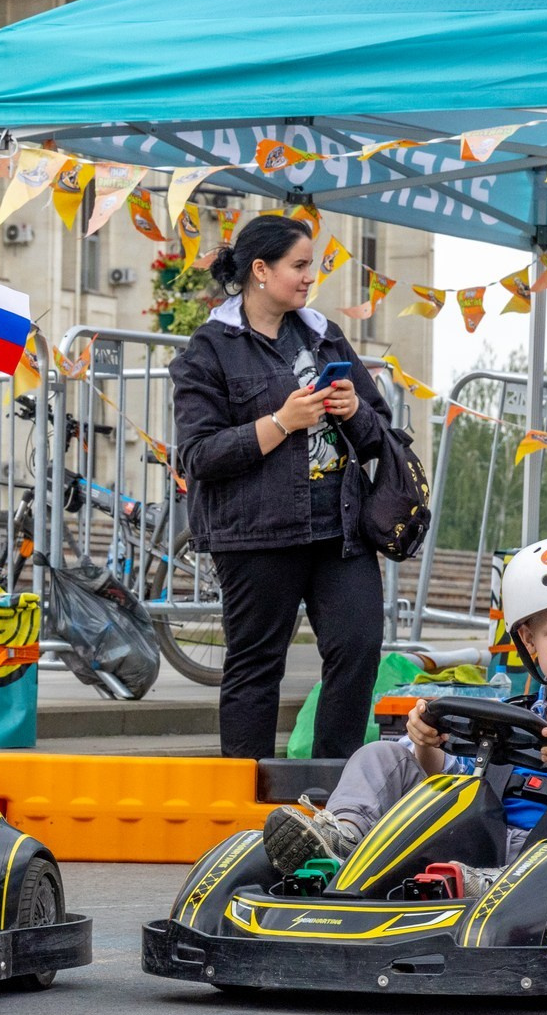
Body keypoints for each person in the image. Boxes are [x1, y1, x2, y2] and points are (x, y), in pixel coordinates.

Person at [264, 535, 547, 891]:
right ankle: (344, 838)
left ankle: (517, 881)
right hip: (471, 842)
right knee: (381, 754)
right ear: (530, 642)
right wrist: (427, 744)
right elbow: (448, 777)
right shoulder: (504, 716)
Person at [170, 212, 399, 761]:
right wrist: (280, 423)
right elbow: (199, 455)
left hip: (339, 530)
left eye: (312, 266)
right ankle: (244, 802)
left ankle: (334, 790)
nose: (309, 277)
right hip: (254, 534)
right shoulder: (210, 349)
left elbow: (381, 433)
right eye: (298, 266)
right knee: (256, 665)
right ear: (259, 270)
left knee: (359, 648)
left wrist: (354, 413)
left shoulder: (323, 334)